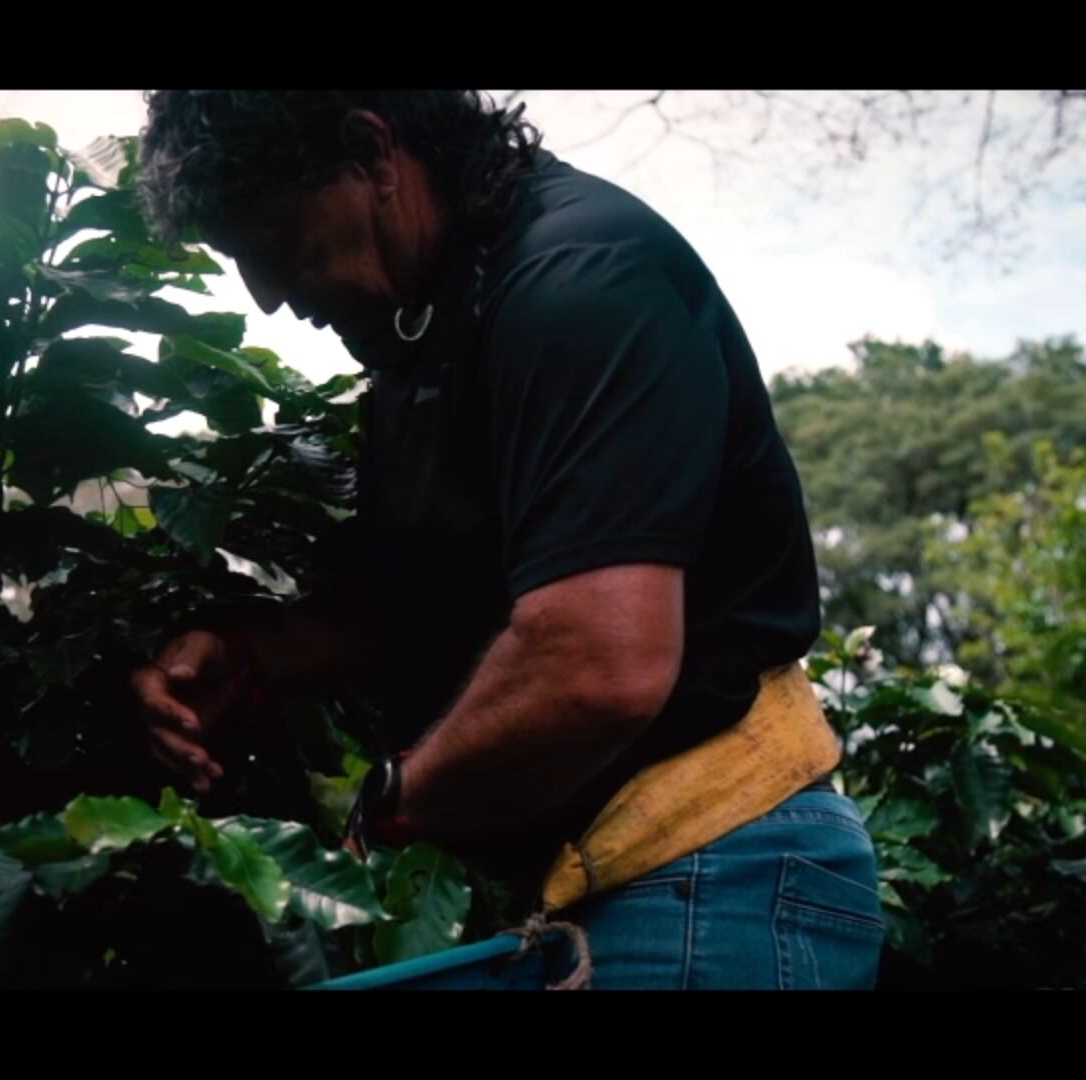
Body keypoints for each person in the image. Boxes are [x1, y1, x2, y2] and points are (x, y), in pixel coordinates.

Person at [128, 90, 883, 989]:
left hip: (711, 878)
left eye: (277, 243)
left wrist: (392, 803)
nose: (271, 295)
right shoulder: (433, 325)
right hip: (616, 893)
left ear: (372, 155)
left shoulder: (579, 280)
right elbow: (420, 610)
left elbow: (598, 668)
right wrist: (245, 653)